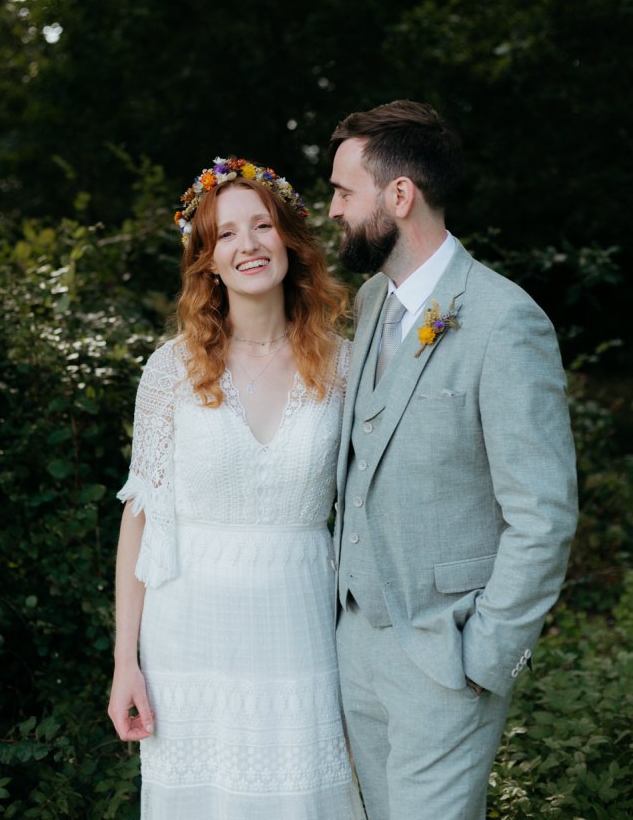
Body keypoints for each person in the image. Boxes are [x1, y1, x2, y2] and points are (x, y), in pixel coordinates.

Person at [327, 101, 578, 820]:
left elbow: (543, 515)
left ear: (398, 194)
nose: (334, 208)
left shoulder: (505, 322)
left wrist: (484, 658)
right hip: (354, 648)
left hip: (444, 656)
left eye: (345, 191)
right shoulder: (372, 300)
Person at [108, 157, 365, 819]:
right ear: (207, 260)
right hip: (187, 638)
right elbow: (141, 518)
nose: (247, 244)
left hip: (302, 629)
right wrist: (124, 663)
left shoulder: (346, 365)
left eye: (261, 226)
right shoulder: (171, 368)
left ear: (290, 239)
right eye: (225, 234)